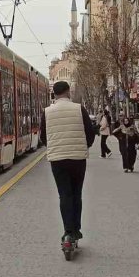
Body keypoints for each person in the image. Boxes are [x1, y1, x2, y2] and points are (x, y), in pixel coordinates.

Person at [39, 81, 96, 250]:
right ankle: (76, 230)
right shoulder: (79, 109)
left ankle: (68, 232)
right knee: (76, 193)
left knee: (64, 195)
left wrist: (54, 147)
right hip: (78, 158)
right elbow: (90, 133)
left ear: (54, 94)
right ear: (68, 92)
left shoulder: (47, 112)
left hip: (57, 159)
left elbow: (44, 136)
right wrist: (84, 146)